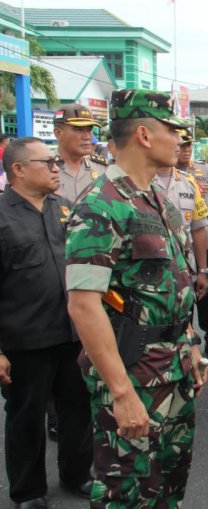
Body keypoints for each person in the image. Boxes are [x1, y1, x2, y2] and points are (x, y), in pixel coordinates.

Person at [65, 89, 207, 507]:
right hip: (134, 374)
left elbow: (174, 282)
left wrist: (193, 344)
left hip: (175, 368)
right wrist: (122, 393)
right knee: (126, 491)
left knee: (169, 483)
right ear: (144, 134)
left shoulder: (161, 201)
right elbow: (84, 304)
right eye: (172, 131)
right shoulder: (101, 205)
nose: (180, 141)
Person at [0, 138, 93, 508]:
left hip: (72, 333)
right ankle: (28, 491)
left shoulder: (66, 210)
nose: (57, 168)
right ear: (19, 169)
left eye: (56, 161)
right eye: (48, 162)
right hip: (24, 340)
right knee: (26, 416)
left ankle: (77, 474)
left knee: (78, 410)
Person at [176, 133, 208, 359]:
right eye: (181, 146)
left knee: (206, 290)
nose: (185, 150)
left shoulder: (204, 170)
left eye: (188, 146)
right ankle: (186, 336)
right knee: (181, 292)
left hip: (205, 239)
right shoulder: (159, 174)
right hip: (177, 245)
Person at [153, 151, 208, 302]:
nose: (178, 147)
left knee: (185, 321)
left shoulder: (189, 182)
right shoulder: (136, 180)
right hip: (150, 276)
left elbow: (198, 230)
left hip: (184, 272)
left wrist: (203, 271)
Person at [53, 104, 108, 203]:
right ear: (58, 133)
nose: (87, 137)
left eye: (89, 130)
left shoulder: (101, 168)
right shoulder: (45, 168)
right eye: (79, 130)